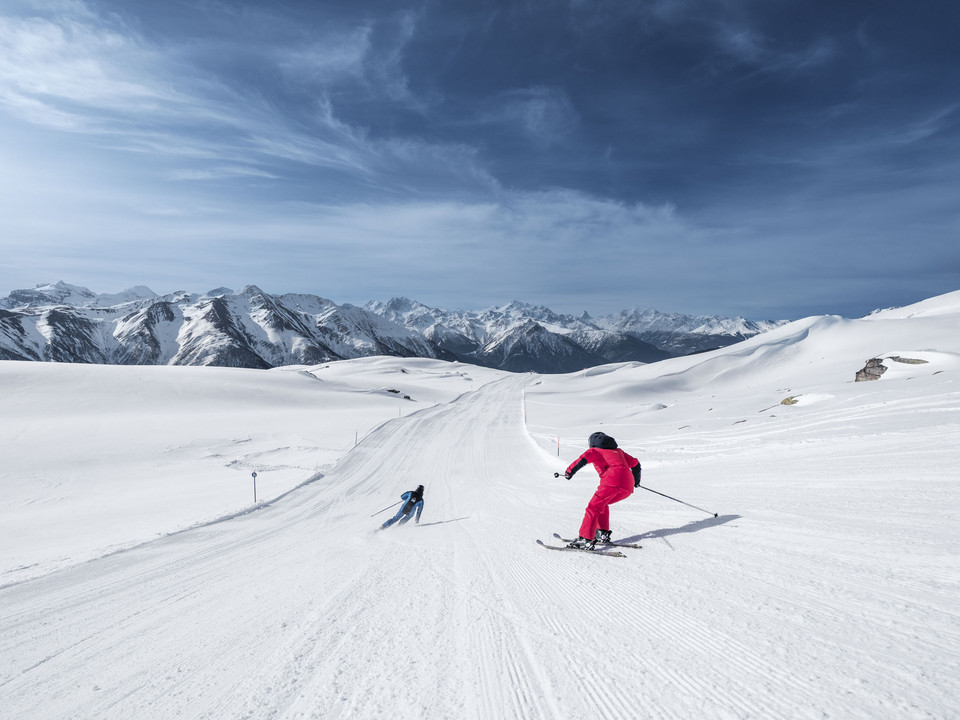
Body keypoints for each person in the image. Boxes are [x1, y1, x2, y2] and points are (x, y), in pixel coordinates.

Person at [563, 432, 641, 549]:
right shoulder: (618, 452)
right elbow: (635, 464)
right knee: (602, 505)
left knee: (593, 507)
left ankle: (585, 539)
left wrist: (569, 472)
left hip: (611, 481)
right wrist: (636, 481)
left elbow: (582, 460)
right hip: (627, 485)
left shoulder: (595, 451)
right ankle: (602, 533)